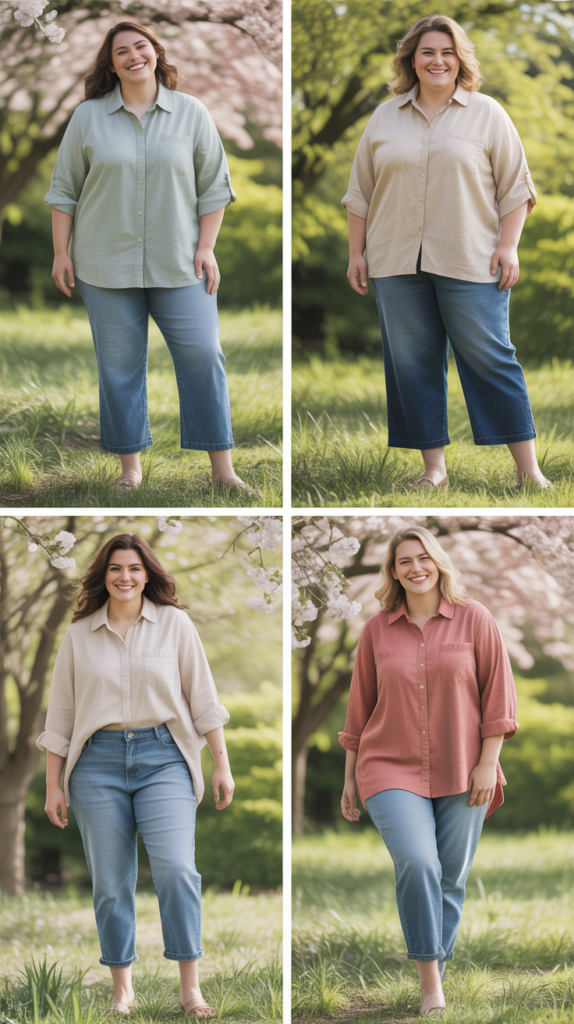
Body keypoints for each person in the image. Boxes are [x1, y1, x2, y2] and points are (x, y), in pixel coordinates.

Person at [342, 14, 551, 490]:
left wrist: (509, 245)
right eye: (427, 53)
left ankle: (528, 471)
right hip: (394, 258)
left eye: (447, 52)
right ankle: (433, 470)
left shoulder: (488, 113)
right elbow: (360, 192)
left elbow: (516, 188)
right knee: (411, 362)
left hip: (471, 256)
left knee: (491, 357)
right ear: (411, 60)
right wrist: (357, 253)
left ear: (460, 60)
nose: (437, 61)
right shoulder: (384, 117)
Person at [37, 533, 234, 1018]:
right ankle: (122, 990)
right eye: (115, 569)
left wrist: (221, 764)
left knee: (177, 870)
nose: (124, 577)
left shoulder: (175, 624)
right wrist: (52, 784)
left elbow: (203, 698)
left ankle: (190, 989)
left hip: (164, 757)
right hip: (95, 764)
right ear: (103, 576)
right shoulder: (79, 634)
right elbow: (61, 715)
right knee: (110, 882)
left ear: (148, 574)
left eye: (133, 568)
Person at [45, 21, 245, 490]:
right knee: (119, 367)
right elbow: (64, 190)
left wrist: (206, 246)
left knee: (204, 355)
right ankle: (130, 471)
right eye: (122, 52)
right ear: (111, 65)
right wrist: (60, 252)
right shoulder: (87, 117)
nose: (134, 56)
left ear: (156, 53)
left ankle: (223, 472)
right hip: (103, 262)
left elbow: (214, 186)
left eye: (141, 47)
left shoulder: (192, 113)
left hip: (180, 261)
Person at [339, 526, 518, 1017]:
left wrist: (488, 764)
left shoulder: (475, 618)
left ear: (438, 562)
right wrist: (350, 778)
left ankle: (435, 967)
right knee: (419, 864)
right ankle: (430, 986)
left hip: (465, 767)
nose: (416, 568)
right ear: (393, 572)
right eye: (404, 561)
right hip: (388, 767)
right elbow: (359, 709)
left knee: (450, 877)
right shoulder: (376, 630)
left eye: (423, 558)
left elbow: (498, 698)